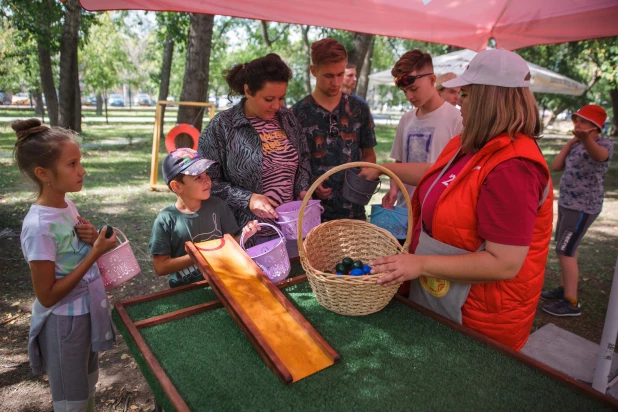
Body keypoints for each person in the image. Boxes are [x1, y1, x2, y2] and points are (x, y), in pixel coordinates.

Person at [361, 49, 553, 351]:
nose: (457, 100)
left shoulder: (515, 167)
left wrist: (421, 263)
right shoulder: (466, 144)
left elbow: (504, 264)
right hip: (445, 302)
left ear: (489, 99)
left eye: (465, 93)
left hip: (479, 321)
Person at [14, 118, 119, 411]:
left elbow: (71, 253)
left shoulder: (67, 206)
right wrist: (94, 254)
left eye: (79, 162)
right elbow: (47, 295)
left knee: (87, 387)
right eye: (72, 164)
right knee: (70, 400)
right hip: (64, 324)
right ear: (43, 173)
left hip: (87, 314)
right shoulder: (38, 226)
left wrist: (92, 238)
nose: (82, 170)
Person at [198, 53, 311, 251]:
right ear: (248, 91)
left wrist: (302, 188)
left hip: (293, 230)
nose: (277, 106)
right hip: (247, 236)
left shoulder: (288, 119)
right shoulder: (223, 127)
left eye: (281, 98)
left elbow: (303, 160)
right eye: (268, 99)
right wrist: (248, 199)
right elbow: (207, 182)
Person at [292, 38, 377, 221]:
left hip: (353, 213)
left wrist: (362, 178)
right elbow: (292, 165)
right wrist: (310, 183)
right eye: (329, 76)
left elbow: (369, 154)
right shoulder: (297, 114)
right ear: (314, 71)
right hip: (312, 214)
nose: (336, 82)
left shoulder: (358, 108)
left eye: (340, 74)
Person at [541, 105, 613, 317]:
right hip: (567, 204)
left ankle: (571, 302)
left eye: (583, 121)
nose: (577, 125)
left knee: (565, 251)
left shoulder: (602, 143)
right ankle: (564, 288)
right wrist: (572, 142)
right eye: (576, 120)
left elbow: (599, 157)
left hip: (583, 207)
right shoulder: (576, 144)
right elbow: (556, 166)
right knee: (566, 248)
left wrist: (585, 139)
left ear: (596, 126)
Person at [149, 148, 259, 288]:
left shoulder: (218, 206)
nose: (207, 180)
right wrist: (201, 255)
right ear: (177, 186)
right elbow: (160, 267)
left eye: (206, 174)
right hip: (186, 291)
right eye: (197, 178)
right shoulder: (165, 219)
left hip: (224, 282)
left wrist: (244, 235)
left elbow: (229, 246)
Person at [382, 50, 463, 210]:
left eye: (414, 89)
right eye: (405, 91)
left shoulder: (457, 118)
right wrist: (393, 188)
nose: (409, 97)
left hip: (437, 212)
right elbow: (399, 161)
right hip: (405, 212)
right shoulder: (406, 119)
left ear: (432, 79)